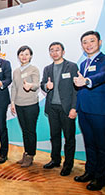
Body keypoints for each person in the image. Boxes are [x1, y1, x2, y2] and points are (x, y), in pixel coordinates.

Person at [73, 31, 105, 191]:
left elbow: (101, 76)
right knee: (89, 144)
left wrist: (87, 80)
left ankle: (101, 177)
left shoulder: (103, 60)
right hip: (83, 109)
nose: (88, 44)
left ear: (99, 42)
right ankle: (90, 171)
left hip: (99, 110)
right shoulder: (83, 64)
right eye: (85, 42)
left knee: (101, 145)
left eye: (91, 41)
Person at [40, 42, 78, 176]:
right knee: (54, 136)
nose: (54, 52)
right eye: (52, 50)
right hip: (52, 108)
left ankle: (68, 165)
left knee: (69, 138)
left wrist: (74, 108)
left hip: (67, 109)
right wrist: (46, 86)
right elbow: (42, 84)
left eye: (57, 50)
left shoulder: (72, 66)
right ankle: (55, 160)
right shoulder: (47, 69)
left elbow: (76, 90)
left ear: (63, 52)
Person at [11, 45, 40, 167]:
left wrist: (30, 86)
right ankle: (26, 152)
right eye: (21, 54)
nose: (24, 56)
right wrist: (12, 102)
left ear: (31, 56)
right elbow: (14, 87)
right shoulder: (16, 71)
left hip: (31, 105)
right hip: (19, 104)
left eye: (27, 54)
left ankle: (30, 155)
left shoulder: (34, 69)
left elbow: (37, 84)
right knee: (24, 131)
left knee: (30, 131)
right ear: (18, 56)